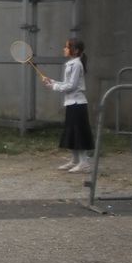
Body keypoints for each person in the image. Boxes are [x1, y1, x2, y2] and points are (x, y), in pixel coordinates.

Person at [40, 38, 93, 173]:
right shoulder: (71, 63)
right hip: (71, 103)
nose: (64, 49)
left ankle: (85, 163)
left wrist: (54, 86)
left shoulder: (76, 64)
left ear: (75, 50)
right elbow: (66, 83)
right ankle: (75, 161)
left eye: (66, 47)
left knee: (79, 133)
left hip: (77, 104)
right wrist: (51, 81)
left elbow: (72, 86)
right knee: (72, 133)